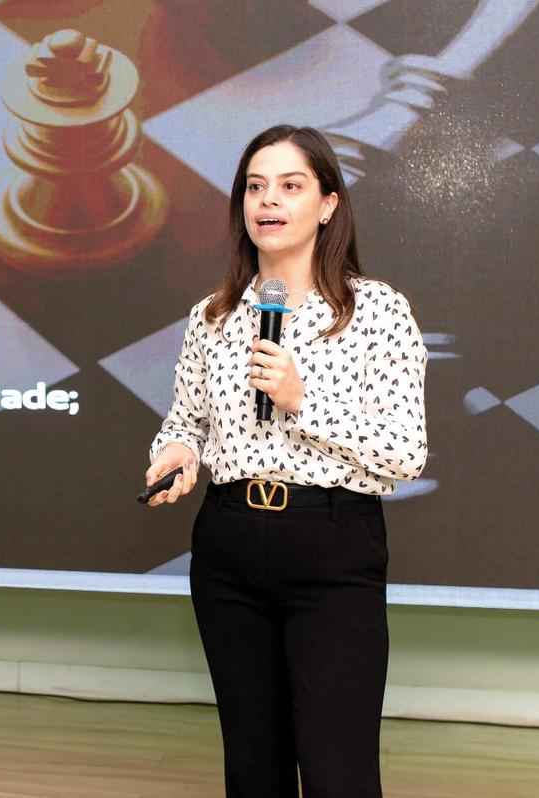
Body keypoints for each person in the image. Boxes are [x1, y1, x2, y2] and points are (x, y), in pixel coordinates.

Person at [144, 125, 428, 797]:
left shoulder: (377, 311)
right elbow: (187, 420)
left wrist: (304, 400)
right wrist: (177, 454)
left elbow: (405, 452)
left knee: (338, 771)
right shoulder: (212, 316)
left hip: (332, 546)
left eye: (291, 186)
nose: (268, 201)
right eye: (255, 186)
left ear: (328, 204)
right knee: (253, 766)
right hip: (228, 544)